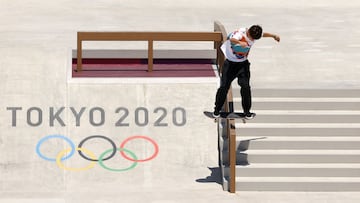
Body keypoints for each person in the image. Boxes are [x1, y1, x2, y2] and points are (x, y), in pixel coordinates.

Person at [213, 25, 280, 119]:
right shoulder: (240, 34)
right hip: (230, 65)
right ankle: (216, 110)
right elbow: (232, 39)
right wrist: (240, 42)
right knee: (224, 87)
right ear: (248, 32)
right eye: (251, 38)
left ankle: (247, 112)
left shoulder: (254, 33)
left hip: (243, 65)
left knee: (246, 87)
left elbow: (263, 34)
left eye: (254, 39)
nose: (252, 40)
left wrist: (273, 36)